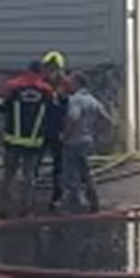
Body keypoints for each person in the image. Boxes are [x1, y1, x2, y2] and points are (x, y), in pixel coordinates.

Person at [0, 59, 55, 218]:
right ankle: (27, 209)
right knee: (30, 176)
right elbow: (52, 112)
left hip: (12, 140)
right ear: (40, 71)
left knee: (8, 175)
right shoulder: (46, 89)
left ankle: (4, 209)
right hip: (34, 142)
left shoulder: (12, 85)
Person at [59, 72, 113, 214]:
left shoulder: (75, 100)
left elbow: (73, 118)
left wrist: (64, 136)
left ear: (77, 83)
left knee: (71, 176)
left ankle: (73, 207)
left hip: (73, 143)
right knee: (86, 174)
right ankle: (94, 203)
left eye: (70, 82)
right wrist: (95, 132)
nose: (68, 84)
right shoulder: (92, 100)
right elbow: (107, 120)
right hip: (87, 141)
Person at [38, 50, 70, 212]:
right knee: (35, 163)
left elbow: (68, 110)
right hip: (42, 129)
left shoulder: (65, 85)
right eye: (47, 68)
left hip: (58, 131)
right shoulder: (42, 84)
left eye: (52, 68)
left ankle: (57, 196)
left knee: (59, 166)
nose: (48, 72)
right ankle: (30, 195)